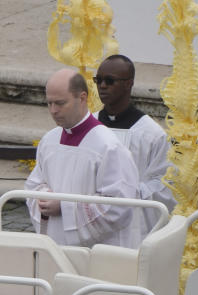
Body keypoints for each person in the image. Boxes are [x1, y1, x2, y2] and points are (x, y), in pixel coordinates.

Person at [26, 68, 141, 249]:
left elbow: (119, 205)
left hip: (97, 252)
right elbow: (33, 184)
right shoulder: (49, 140)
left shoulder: (108, 146)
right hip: (54, 245)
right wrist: (42, 196)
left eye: (60, 103)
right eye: (49, 103)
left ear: (82, 98)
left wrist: (64, 206)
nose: (53, 111)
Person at [95, 54, 175, 236]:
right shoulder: (88, 126)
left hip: (131, 226)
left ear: (128, 83)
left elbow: (164, 185)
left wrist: (127, 193)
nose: (102, 86)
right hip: (92, 220)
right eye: (98, 80)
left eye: (109, 80)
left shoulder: (152, 134)